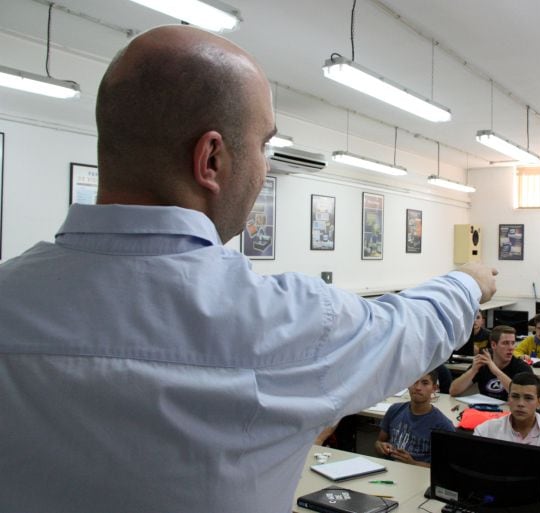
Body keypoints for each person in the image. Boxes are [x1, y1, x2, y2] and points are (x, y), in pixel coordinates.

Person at [0, 26, 499, 513]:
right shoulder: (286, 322)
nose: (264, 168)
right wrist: (469, 282)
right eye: (264, 145)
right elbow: (412, 327)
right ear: (211, 158)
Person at [474, 373, 540, 491]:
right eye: (515, 396)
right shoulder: (485, 430)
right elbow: (474, 471)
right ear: (508, 399)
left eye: (528, 398)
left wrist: (506, 482)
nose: (520, 404)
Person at [374, 370, 454, 467]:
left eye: (425, 383)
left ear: (434, 388)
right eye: (414, 381)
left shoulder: (443, 425)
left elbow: (445, 467)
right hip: (391, 469)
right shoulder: (394, 410)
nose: (418, 387)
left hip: (419, 475)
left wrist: (413, 463)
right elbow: (379, 442)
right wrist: (381, 447)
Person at [449, 325, 533, 401]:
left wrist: (495, 370)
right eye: (505, 343)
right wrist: (473, 370)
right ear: (493, 345)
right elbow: (453, 391)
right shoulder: (483, 362)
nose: (511, 348)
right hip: (486, 412)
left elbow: (522, 396)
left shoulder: (521, 367)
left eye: (513, 343)